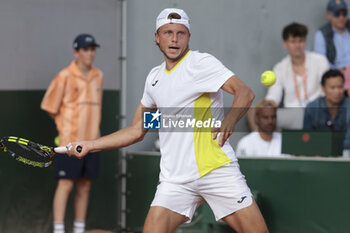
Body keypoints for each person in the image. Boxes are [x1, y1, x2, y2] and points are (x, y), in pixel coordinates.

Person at [66, 8, 268, 233]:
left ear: (188, 37)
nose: (174, 39)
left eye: (181, 33)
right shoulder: (154, 79)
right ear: (157, 37)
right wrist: (90, 145)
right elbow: (136, 130)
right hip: (176, 180)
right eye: (168, 32)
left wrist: (230, 119)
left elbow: (244, 92)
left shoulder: (202, 64)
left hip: (216, 169)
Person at [41, 34, 103, 233]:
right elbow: (49, 106)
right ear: (76, 53)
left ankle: (79, 229)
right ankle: (59, 230)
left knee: (85, 186)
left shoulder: (99, 76)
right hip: (70, 142)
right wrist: (64, 127)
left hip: (93, 142)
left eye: (93, 49)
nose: (90, 53)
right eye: (86, 49)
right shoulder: (64, 76)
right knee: (66, 184)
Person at [247, 22, 329, 131]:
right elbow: (273, 96)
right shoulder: (280, 67)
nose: (297, 45)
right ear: (285, 43)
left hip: (317, 111)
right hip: (292, 113)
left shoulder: (320, 61)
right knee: (252, 112)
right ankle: (263, 146)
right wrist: (267, 104)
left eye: (300, 41)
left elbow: (327, 91)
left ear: (305, 41)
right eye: (293, 41)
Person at [303, 69, 350, 150]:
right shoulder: (311, 108)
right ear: (323, 88)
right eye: (332, 87)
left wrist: (325, 146)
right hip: (317, 155)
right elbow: (306, 138)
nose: (337, 92)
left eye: (340, 87)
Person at [314, 0, 350, 70]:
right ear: (328, 15)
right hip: (338, 74)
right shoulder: (322, 34)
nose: (341, 17)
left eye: (344, 14)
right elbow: (320, 62)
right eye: (337, 14)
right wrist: (337, 71)